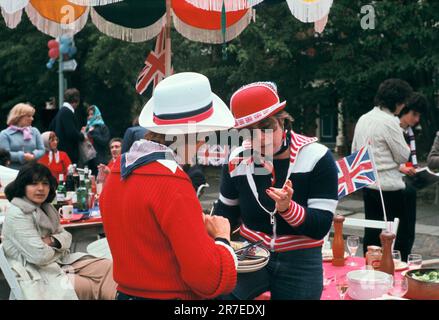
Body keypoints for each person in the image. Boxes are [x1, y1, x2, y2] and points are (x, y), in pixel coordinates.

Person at [99, 72, 237, 300]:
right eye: (205, 134)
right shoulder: (173, 181)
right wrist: (223, 238)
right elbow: (207, 278)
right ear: (189, 134)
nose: (205, 143)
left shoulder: (115, 171)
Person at [214, 82, 339, 300]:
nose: (259, 138)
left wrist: (288, 208)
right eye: (248, 132)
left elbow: (320, 227)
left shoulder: (317, 157)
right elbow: (225, 215)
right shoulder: (236, 160)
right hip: (251, 252)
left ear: (283, 121)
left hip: (301, 258)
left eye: (267, 126)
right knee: (218, 295)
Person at [1, 162, 117, 300]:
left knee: (109, 267)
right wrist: (58, 246)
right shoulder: (18, 213)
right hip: (36, 271)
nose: (40, 189)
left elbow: (67, 236)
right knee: (89, 284)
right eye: (34, 184)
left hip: (61, 262)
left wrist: (52, 240)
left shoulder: (47, 208)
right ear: (22, 186)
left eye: (45, 184)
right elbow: (39, 256)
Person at [351, 78, 413, 257]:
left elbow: (355, 151)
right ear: (398, 102)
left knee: (371, 233)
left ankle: (369, 267)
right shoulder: (389, 121)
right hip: (390, 187)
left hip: (369, 183)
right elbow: (403, 155)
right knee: (397, 237)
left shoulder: (364, 119)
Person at [398, 92, 428, 261]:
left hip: (408, 185)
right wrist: (402, 168)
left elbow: (410, 160)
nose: (417, 119)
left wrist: (417, 171)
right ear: (404, 111)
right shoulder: (393, 129)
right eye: (414, 114)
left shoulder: (409, 132)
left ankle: (405, 260)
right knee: (398, 229)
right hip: (394, 186)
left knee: (409, 229)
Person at [0, 103, 45, 170]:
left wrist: (33, 155)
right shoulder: (5, 134)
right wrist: (22, 156)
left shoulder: (35, 131)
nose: (32, 119)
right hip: (12, 172)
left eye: (32, 116)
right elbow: (4, 155)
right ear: (18, 117)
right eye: (29, 116)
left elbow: (42, 150)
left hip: (32, 171)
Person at [49, 88, 84, 164]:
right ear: (77, 100)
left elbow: (51, 127)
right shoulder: (67, 112)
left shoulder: (61, 111)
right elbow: (71, 132)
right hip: (68, 153)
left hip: (61, 151)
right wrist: (82, 136)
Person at [85, 105, 111, 175]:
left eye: (92, 114)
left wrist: (93, 134)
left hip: (100, 160)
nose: (90, 116)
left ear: (97, 114)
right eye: (89, 114)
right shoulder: (87, 128)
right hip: (88, 161)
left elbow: (105, 141)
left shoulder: (103, 127)